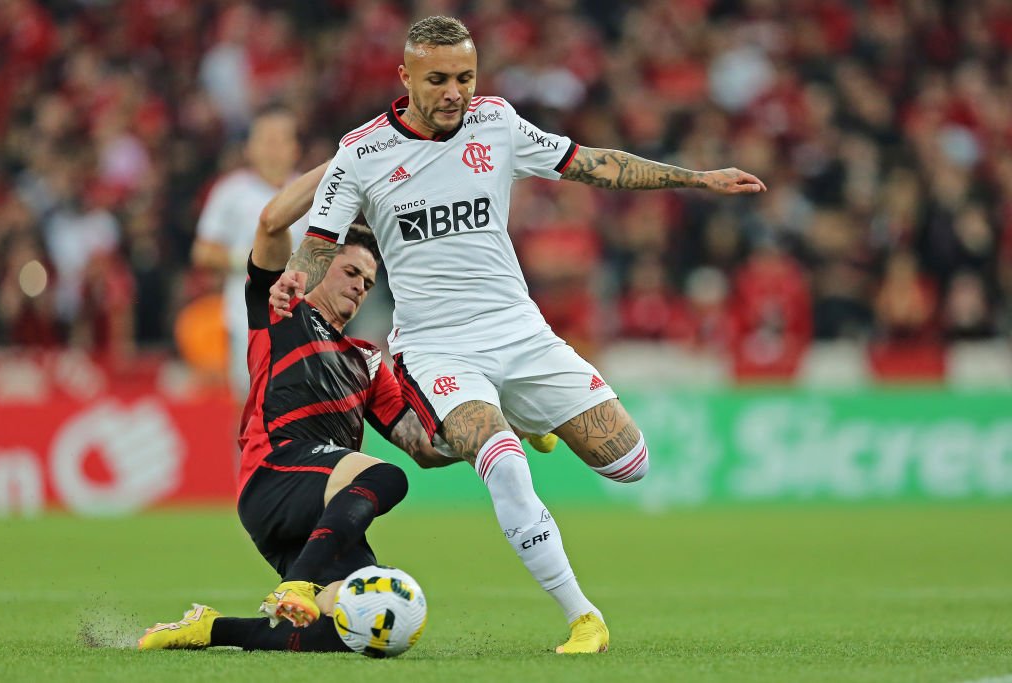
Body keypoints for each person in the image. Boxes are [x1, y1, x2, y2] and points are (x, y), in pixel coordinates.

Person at [271, 15, 767, 654]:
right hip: (437, 345)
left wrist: (695, 179)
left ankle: (532, 419)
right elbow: (319, 242)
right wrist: (293, 279)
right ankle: (583, 617)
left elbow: (592, 164)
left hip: (521, 331)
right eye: (440, 79)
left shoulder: (496, 122)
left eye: (466, 77)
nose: (456, 91)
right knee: (503, 464)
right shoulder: (362, 152)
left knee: (630, 464)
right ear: (405, 77)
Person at [139, 163, 457, 652]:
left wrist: (496, 433)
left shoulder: (368, 360)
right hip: (274, 476)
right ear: (319, 264)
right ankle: (300, 582)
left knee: (358, 631)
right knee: (385, 478)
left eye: (368, 282)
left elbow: (425, 445)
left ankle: (210, 628)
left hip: (323, 515)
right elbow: (270, 224)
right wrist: (345, 160)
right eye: (350, 271)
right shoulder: (282, 309)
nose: (359, 286)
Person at [191, 103, 306, 400]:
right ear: (249, 148)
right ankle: (242, 450)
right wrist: (256, 261)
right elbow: (202, 251)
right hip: (247, 312)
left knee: (299, 404)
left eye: (280, 140)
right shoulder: (231, 191)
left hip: (303, 312)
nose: (273, 149)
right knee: (249, 400)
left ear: (295, 147)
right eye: (265, 140)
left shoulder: (311, 191)